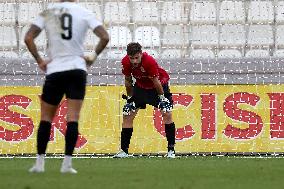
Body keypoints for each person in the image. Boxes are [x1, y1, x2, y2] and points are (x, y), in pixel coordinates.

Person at [25, 0, 109, 173]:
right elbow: (105, 36)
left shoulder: (47, 12)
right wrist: (92, 56)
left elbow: (28, 37)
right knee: (73, 118)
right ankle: (67, 165)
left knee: (46, 118)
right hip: (77, 69)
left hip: (55, 69)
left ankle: (40, 164)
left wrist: (40, 60)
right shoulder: (84, 12)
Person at [114, 42, 176, 158]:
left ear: (141, 54)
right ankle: (124, 151)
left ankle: (171, 150)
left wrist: (162, 98)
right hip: (141, 88)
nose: (134, 61)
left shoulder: (149, 61)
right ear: (128, 56)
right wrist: (130, 99)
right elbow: (128, 81)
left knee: (166, 113)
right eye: (131, 58)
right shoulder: (125, 62)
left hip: (158, 87)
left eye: (136, 58)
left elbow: (156, 81)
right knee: (127, 114)